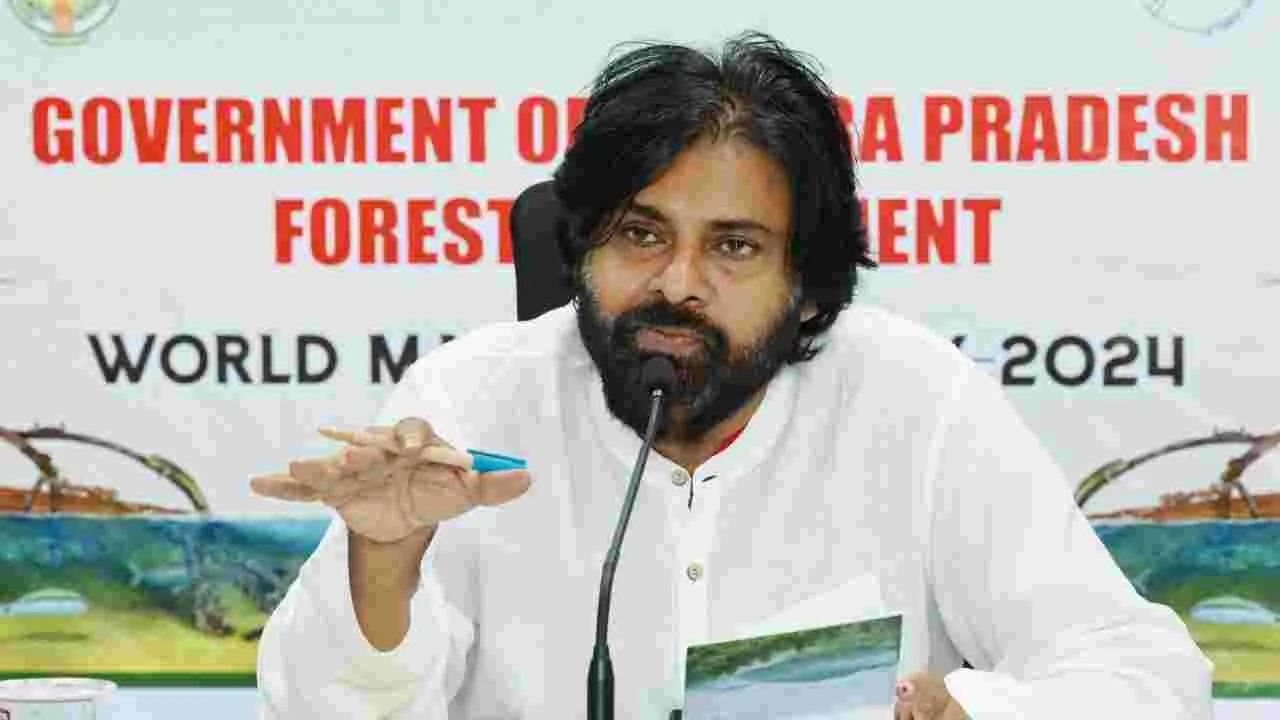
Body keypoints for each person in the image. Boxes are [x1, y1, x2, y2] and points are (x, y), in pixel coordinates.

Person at [251, 31, 1213, 719]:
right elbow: (312, 709)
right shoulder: (469, 400)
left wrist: (981, 712)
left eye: (735, 247)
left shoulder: (915, 399)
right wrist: (384, 559)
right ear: (582, 247)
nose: (678, 283)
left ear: (808, 286)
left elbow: (1145, 674)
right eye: (641, 234)